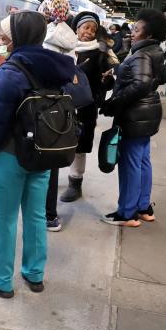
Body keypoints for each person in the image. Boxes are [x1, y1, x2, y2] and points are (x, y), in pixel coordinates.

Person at [0, 11, 80, 298]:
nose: (1, 39)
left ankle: (0, 280)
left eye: (5, 34)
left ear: (18, 37)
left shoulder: (10, 71)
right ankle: (35, 274)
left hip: (8, 155)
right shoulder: (56, 66)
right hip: (43, 151)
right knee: (35, 216)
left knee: (5, 219)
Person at [99, 9, 166, 227]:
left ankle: (126, 213)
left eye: (136, 30)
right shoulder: (155, 50)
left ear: (148, 34)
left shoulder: (141, 54)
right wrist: (120, 70)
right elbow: (159, 77)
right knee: (143, 161)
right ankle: (143, 207)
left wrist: (114, 103)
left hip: (135, 115)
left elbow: (140, 83)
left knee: (130, 164)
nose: (132, 33)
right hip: (147, 114)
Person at [57, 12, 116, 207]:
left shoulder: (100, 53)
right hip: (61, 104)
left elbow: (107, 84)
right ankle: (53, 177)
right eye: (86, 28)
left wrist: (106, 79)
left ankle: (75, 182)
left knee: (79, 145)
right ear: (77, 28)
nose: (89, 32)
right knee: (56, 140)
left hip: (85, 106)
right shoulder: (64, 47)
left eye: (93, 29)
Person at [41, 13, 79, 231]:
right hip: (62, 106)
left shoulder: (44, 40)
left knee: (38, 161)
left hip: (41, 107)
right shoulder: (71, 40)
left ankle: (38, 213)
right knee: (52, 162)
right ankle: (50, 216)